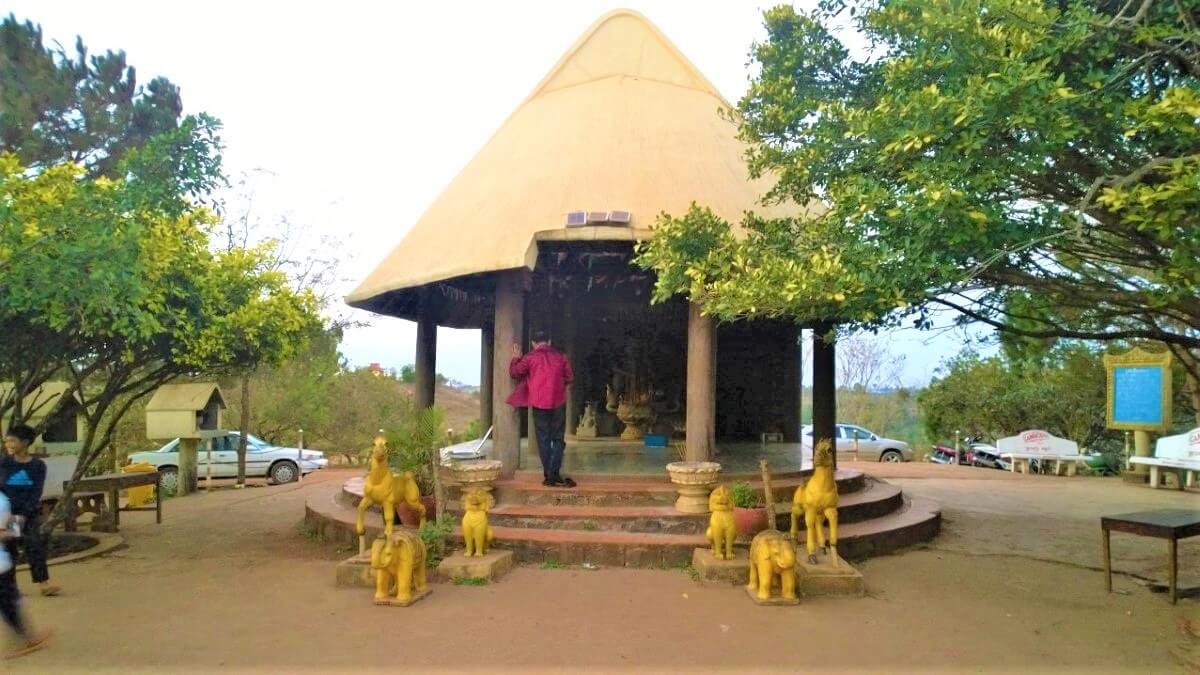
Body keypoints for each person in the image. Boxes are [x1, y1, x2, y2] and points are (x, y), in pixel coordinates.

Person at [509, 330, 576, 488]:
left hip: (539, 403)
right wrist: (557, 386)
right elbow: (570, 377)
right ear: (550, 341)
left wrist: (515, 358)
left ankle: (550, 475)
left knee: (543, 439)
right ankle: (554, 474)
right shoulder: (561, 357)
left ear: (533, 343)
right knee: (558, 439)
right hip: (558, 402)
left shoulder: (529, 358)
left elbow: (515, 372)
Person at [1, 425, 59, 597]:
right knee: (9, 549)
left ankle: (44, 584)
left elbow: (36, 492)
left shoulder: (37, 466)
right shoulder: (4, 463)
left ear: (25, 442)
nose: (8, 443)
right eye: (7, 440)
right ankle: (10, 588)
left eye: (13, 440)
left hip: (28, 513)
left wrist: (25, 514)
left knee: (34, 546)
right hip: (7, 514)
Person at [0, 489, 51, 659]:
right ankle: (28, 638)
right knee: (10, 600)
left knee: (9, 601)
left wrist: (10, 530)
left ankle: (27, 638)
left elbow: (12, 529)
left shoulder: (3, 501)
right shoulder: (4, 500)